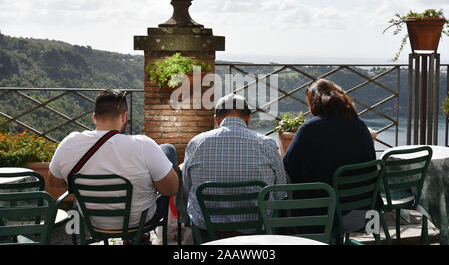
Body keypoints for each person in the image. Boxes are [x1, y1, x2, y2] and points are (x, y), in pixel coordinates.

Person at [49, 89, 179, 230]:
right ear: (124, 117)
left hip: (93, 222)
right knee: (167, 150)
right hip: (139, 222)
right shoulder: (144, 145)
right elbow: (171, 189)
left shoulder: (69, 143)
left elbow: (54, 183)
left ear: (94, 118)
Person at [183, 93, 287, 242]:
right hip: (257, 233)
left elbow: (188, 186)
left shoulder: (196, 143)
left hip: (208, 234)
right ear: (248, 118)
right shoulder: (267, 144)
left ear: (217, 119)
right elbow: (280, 192)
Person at [283, 78, 378, 234]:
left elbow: (287, 168)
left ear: (313, 103)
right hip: (365, 213)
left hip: (325, 219)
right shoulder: (360, 125)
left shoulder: (309, 129)